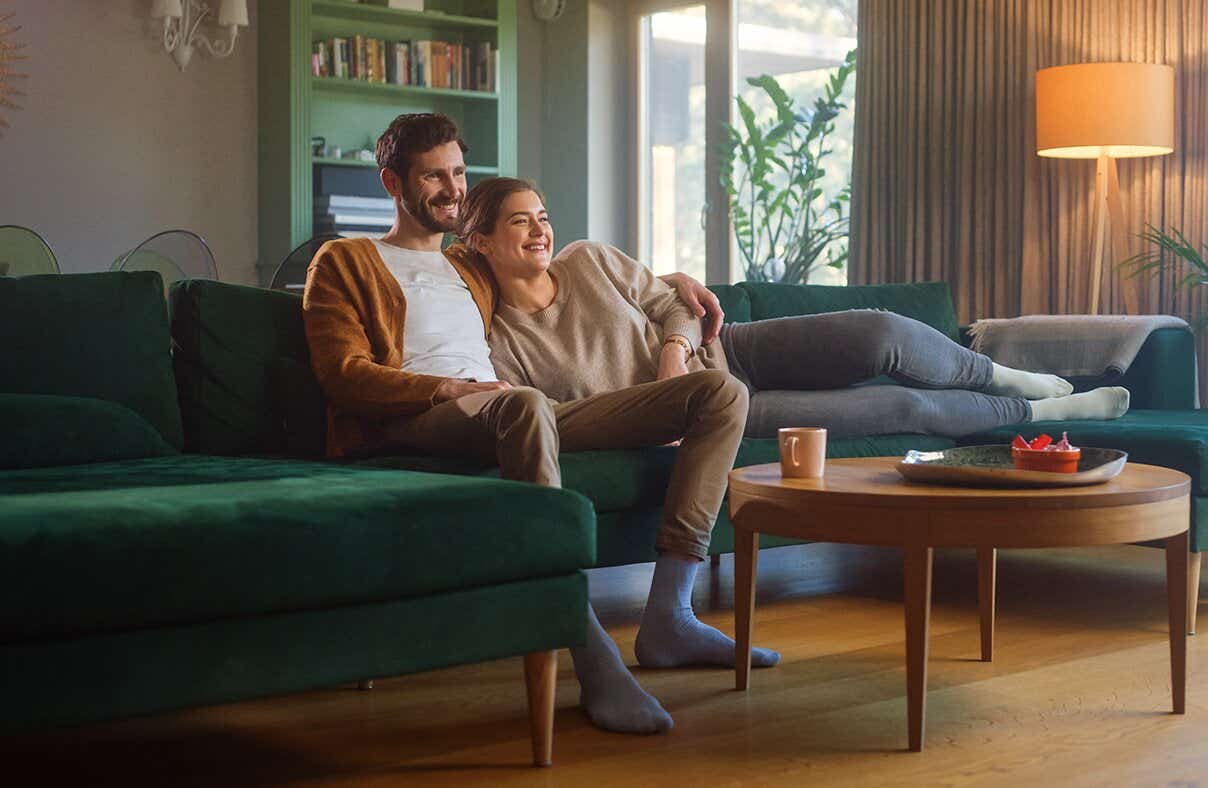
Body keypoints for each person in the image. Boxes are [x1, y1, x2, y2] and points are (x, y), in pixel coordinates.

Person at [302, 113, 770, 737]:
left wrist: (672, 281)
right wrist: (445, 387)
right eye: (432, 177)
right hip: (421, 418)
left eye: (458, 173)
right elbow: (343, 372)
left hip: (518, 413)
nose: (452, 189)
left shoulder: (470, 264)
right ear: (392, 183)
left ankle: (671, 614)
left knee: (719, 392)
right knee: (519, 403)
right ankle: (587, 645)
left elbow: (549, 259)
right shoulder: (346, 260)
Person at [464, 177, 1131, 442]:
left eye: (542, 217)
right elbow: (557, 418)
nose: (539, 232)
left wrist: (672, 350)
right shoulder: (500, 343)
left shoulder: (587, 260)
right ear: (481, 240)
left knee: (880, 332)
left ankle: (1001, 375)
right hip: (719, 407)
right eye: (519, 223)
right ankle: (1042, 413)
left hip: (733, 349)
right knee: (900, 412)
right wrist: (664, 402)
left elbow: (675, 303)